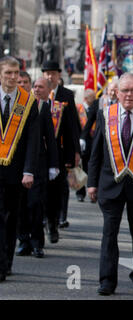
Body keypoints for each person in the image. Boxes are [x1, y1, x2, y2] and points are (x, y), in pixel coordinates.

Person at [87, 73, 133, 296]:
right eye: (125, 90)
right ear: (116, 93)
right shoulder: (105, 115)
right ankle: (107, 281)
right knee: (109, 235)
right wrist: (91, 183)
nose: (129, 95)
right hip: (110, 185)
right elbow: (96, 151)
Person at [0, 56, 39, 282]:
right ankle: (1, 262)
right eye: (8, 73)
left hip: (16, 171)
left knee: (11, 217)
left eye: (16, 73)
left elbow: (33, 140)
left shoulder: (28, 101)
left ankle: (7, 261)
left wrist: (29, 170)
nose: (13, 77)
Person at [16, 77, 59, 258]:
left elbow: (50, 138)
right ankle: (23, 241)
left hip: (38, 164)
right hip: (17, 163)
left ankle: (36, 242)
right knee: (20, 205)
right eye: (30, 85)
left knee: (35, 204)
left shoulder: (42, 107)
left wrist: (53, 165)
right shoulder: (15, 105)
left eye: (28, 83)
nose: (31, 87)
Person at [42, 61, 80, 242]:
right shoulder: (38, 93)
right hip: (39, 151)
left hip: (60, 151)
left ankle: (53, 223)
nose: (50, 76)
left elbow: (73, 125)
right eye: (47, 73)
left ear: (59, 75)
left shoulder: (66, 95)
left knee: (56, 190)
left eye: (53, 73)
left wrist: (75, 153)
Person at [76, 89, 99, 202]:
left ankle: (93, 192)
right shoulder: (78, 108)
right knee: (80, 167)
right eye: (92, 97)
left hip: (93, 140)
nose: (95, 99)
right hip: (81, 140)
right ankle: (80, 192)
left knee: (91, 167)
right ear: (86, 98)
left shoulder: (95, 107)